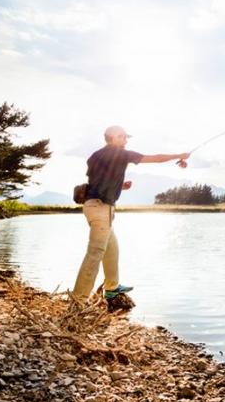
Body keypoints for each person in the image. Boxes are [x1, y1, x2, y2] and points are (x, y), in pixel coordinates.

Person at [72, 125, 190, 303]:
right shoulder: (122, 154)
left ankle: (111, 288)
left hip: (94, 207)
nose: (126, 141)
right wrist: (179, 155)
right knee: (95, 253)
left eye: (126, 138)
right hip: (101, 209)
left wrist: (120, 186)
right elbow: (156, 159)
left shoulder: (94, 156)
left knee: (112, 249)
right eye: (123, 137)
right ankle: (78, 300)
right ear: (112, 137)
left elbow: (98, 181)